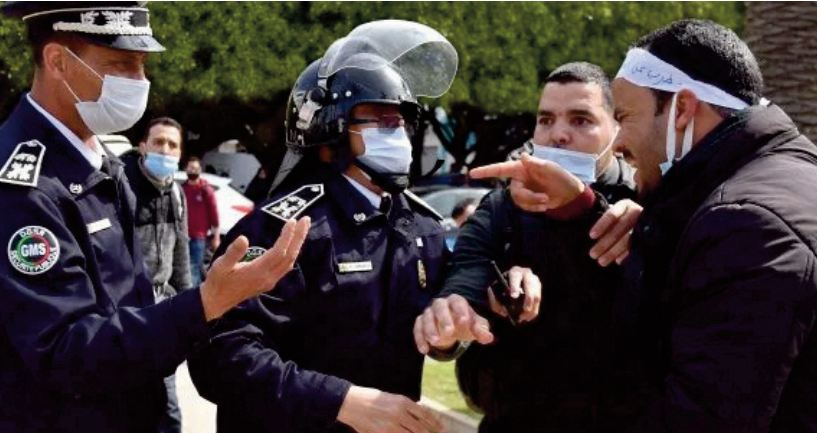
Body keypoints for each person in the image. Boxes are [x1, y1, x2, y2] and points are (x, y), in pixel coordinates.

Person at [470, 19, 817, 432]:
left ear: (683, 110)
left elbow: (696, 416)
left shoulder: (748, 225)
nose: (617, 142)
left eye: (625, 116)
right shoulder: (772, 180)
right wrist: (585, 210)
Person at [0, 3, 310, 433]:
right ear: (57, 62)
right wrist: (205, 303)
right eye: (121, 64)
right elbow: (66, 351)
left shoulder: (102, 162)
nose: (139, 81)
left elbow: (133, 305)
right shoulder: (21, 186)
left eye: (142, 64)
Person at [188, 20, 459, 433]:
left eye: (401, 120)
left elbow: (441, 322)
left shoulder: (423, 226)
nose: (396, 132)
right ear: (330, 127)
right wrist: (341, 401)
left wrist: (446, 338)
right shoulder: (285, 229)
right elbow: (221, 355)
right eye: (378, 119)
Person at [414, 62, 647, 433]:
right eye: (546, 119)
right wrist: (455, 317)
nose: (559, 135)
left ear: (616, 129)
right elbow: (468, 272)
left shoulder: (641, 201)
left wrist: (589, 212)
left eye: (581, 120)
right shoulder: (503, 206)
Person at [120, 116, 191, 433]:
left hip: (163, 314)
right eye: (159, 142)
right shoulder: (122, 188)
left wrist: (190, 310)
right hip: (125, 316)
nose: (165, 150)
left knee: (168, 410)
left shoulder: (176, 193)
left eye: (172, 145)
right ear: (143, 146)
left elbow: (182, 255)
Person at [183, 155, 220, 287]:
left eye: (195, 168)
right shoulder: (182, 189)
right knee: (184, 269)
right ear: (186, 169)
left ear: (200, 170)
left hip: (198, 237)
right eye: (190, 168)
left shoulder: (205, 190)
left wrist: (216, 237)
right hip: (182, 236)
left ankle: (194, 299)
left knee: (194, 268)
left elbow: (214, 215)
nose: (193, 171)